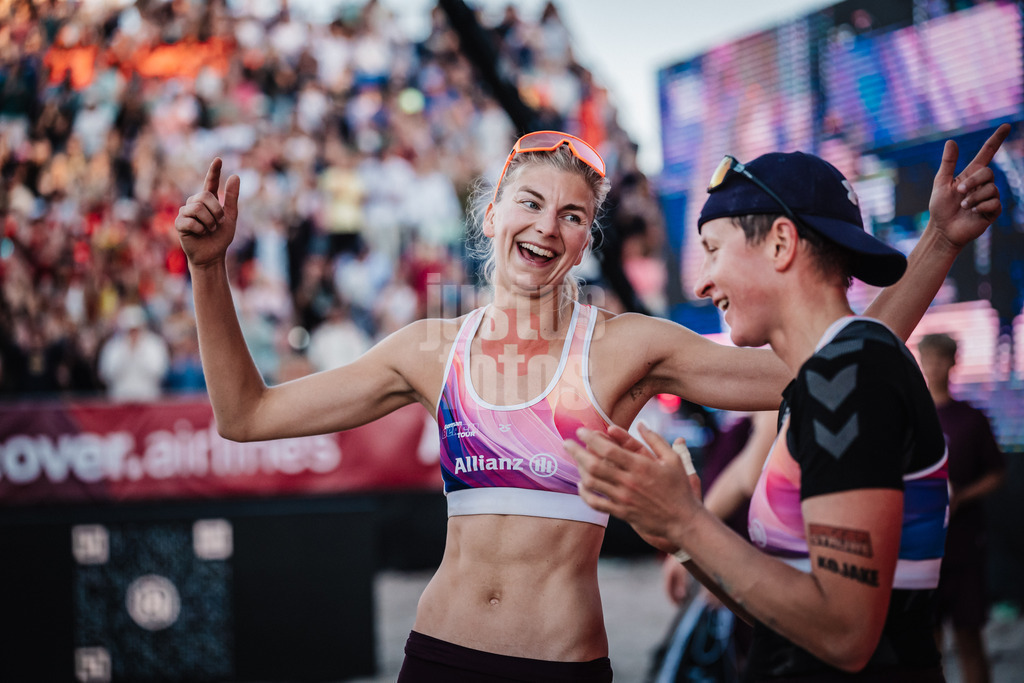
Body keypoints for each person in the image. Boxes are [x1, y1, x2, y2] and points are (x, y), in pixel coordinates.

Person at [175, 126, 1004, 682]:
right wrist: (209, 270)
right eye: (531, 204)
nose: (548, 226)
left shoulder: (625, 346)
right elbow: (247, 413)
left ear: (584, 242)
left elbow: (837, 354)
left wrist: (937, 243)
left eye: (573, 217)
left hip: (561, 665)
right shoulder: (430, 347)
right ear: (492, 214)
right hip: (437, 654)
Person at [569, 124, 1010, 681]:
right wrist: (683, 539)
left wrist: (685, 523)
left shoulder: (852, 377)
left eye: (712, 251)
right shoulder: (826, 377)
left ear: (780, 243)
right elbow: (784, 610)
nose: (702, 283)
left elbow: (845, 634)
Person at [918, 333, 1006, 683]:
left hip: (965, 546)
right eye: (928, 359)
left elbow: (997, 473)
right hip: (924, 549)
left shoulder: (972, 418)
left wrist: (961, 497)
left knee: (970, 637)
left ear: (953, 362)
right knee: (927, 643)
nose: (934, 366)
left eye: (941, 359)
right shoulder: (912, 418)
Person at [97, 304, 170, 402]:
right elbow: (107, 374)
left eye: (136, 329)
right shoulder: (113, 346)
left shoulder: (155, 345)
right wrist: (126, 352)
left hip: (148, 400)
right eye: (130, 330)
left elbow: (159, 372)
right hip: (120, 400)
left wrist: (139, 352)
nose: (133, 333)